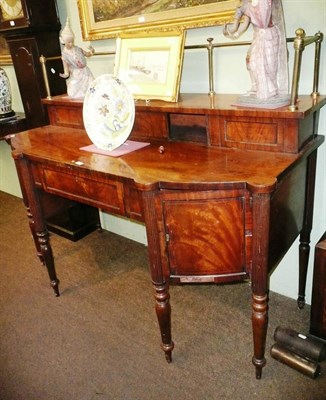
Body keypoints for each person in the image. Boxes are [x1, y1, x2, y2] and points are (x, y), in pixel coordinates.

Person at [223, 0, 289, 106]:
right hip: (258, 36)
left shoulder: (265, 3)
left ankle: (270, 90)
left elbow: (268, 19)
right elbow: (242, 25)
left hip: (270, 35)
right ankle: (256, 87)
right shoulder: (246, 5)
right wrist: (232, 34)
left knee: (270, 65)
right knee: (252, 61)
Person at [59, 18, 95, 99]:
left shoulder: (78, 49)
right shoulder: (64, 54)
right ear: (64, 41)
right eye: (69, 42)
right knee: (72, 90)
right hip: (76, 74)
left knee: (91, 87)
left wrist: (92, 51)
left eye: (72, 41)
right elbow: (66, 67)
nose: (71, 44)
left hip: (86, 72)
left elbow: (88, 54)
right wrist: (66, 74)